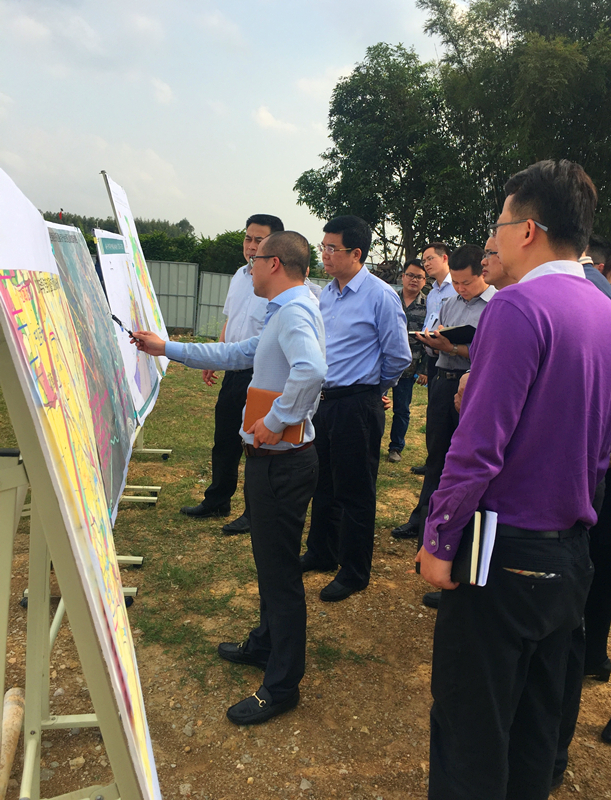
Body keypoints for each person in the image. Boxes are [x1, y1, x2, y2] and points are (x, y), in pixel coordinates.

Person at [417, 159, 611, 800]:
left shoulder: (518, 307)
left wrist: (439, 537)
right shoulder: (603, 309)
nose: (493, 239)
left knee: (470, 731)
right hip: (570, 552)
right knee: (534, 730)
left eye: (499, 225)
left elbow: (477, 449)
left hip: (500, 555)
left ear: (528, 230)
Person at [132, 231, 327, 725]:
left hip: (281, 462)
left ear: (275, 264)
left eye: (256, 259)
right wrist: (167, 348)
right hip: (274, 460)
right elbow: (237, 354)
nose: (250, 266)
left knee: (280, 575)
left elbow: (312, 370)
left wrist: (278, 418)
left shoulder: (294, 312)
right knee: (270, 564)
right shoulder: (285, 310)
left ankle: (282, 686)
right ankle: (265, 644)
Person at [301, 215, 411, 602]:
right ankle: (322, 551)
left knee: (355, 491)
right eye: (323, 247)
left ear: (356, 253)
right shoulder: (326, 294)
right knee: (323, 484)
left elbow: (398, 356)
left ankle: (354, 571)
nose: (325, 254)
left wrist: (372, 390)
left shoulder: (380, 296)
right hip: (325, 402)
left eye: (333, 248)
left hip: (357, 404)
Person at [180, 214, 284, 538]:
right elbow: (231, 320)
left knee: (255, 443)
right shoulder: (239, 277)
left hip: (262, 375)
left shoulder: (279, 284)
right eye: (248, 238)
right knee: (224, 438)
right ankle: (217, 500)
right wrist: (217, 355)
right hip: (233, 371)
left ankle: (254, 513)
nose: (251, 245)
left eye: (259, 240)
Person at [391, 245, 495, 548]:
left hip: (473, 387)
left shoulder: (496, 305)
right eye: (457, 283)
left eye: (466, 283)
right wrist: (434, 343)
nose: (460, 289)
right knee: (436, 455)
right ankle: (423, 520)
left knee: (466, 460)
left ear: (483, 273)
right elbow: (441, 344)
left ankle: (458, 529)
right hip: (442, 382)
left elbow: (492, 354)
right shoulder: (449, 303)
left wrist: (454, 348)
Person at [388, 259, 427, 463]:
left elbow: (429, 339)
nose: (414, 280)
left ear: (424, 281)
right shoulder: (389, 299)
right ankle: (370, 442)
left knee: (402, 409)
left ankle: (396, 447)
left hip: (409, 366)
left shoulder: (428, 305)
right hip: (384, 364)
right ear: (402, 277)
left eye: (419, 277)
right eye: (410, 275)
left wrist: (424, 369)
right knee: (374, 405)